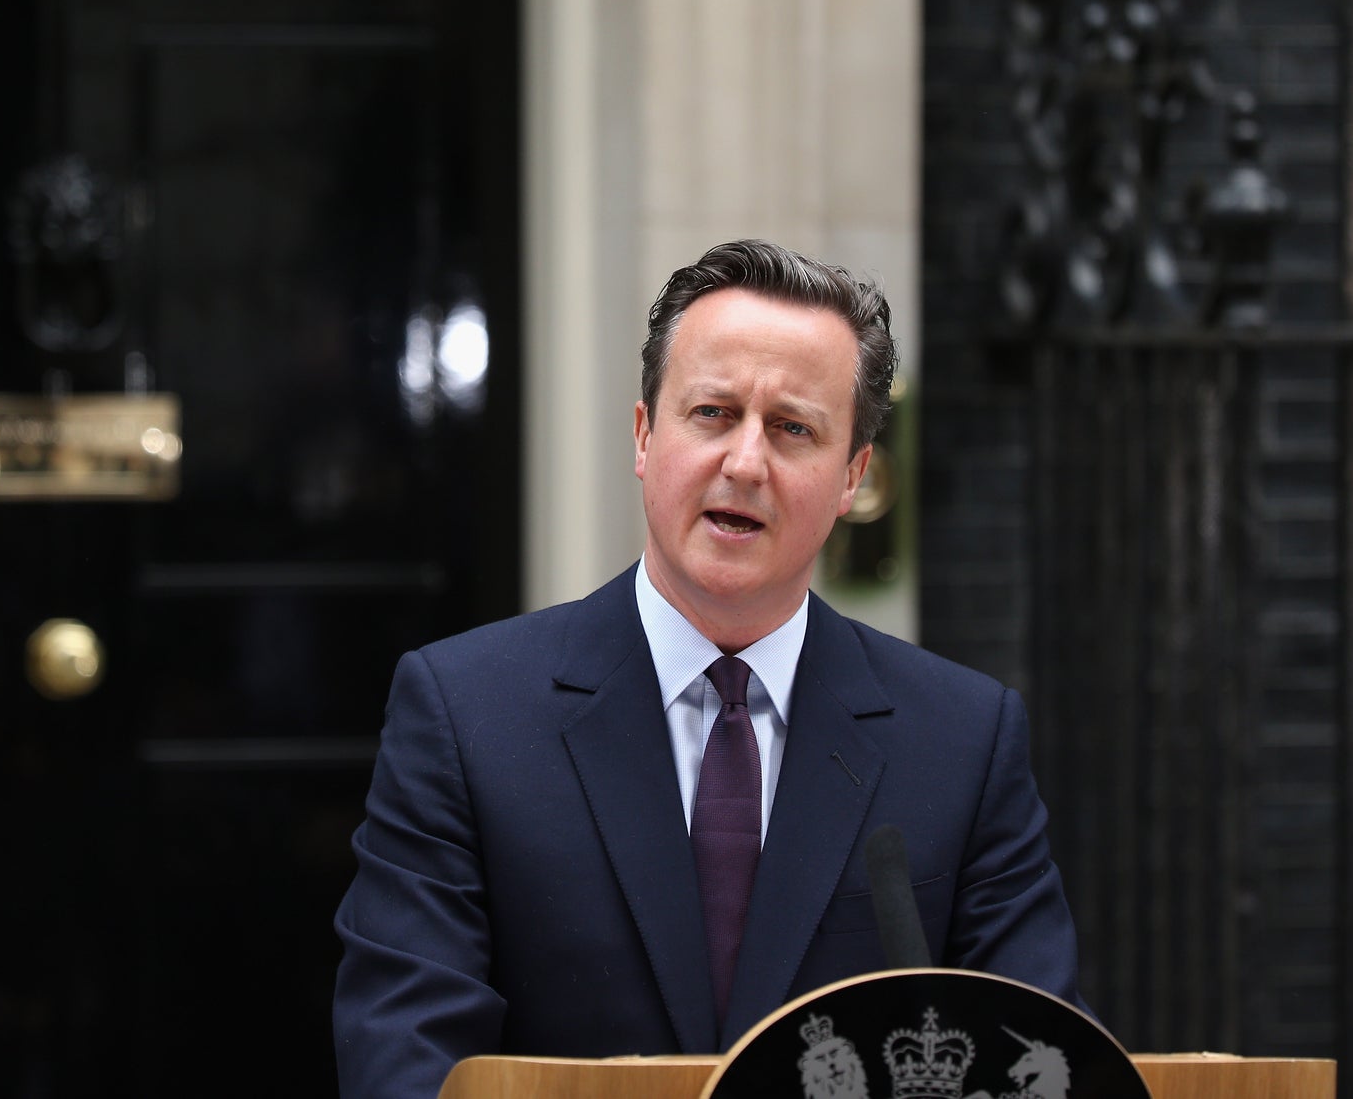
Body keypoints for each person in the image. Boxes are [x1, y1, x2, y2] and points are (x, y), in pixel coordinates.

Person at [333, 240, 1083, 1099]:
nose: (746, 462)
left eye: (793, 427)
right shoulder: (465, 716)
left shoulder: (964, 738)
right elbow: (405, 1058)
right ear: (646, 435)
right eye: (714, 413)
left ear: (853, 475)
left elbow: (1043, 1058)